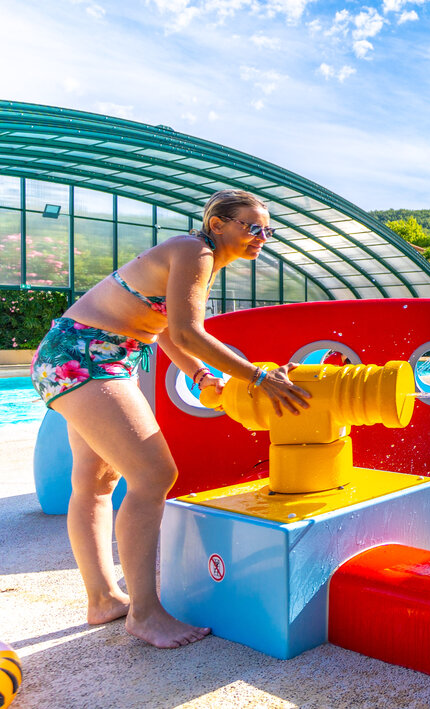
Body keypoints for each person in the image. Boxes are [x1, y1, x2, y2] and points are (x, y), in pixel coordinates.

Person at [30, 189, 311, 648]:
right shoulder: (196, 251)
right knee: (154, 474)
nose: (262, 237)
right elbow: (186, 331)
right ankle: (144, 613)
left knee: (96, 483)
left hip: (85, 354)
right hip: (85, 356)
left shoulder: (200, 260)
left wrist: (201, 375)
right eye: (252, 227)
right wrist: (259, 377)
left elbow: (163, 331)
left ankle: (104, 599)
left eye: (268, 230)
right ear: (218, 224)